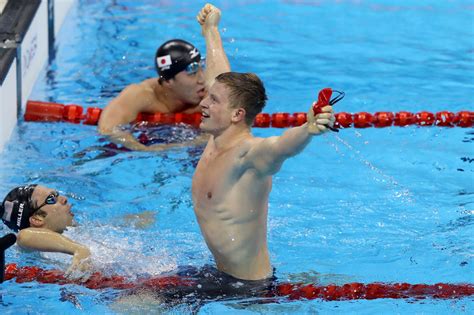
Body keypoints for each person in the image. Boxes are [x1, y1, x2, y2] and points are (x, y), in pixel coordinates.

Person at [192, 72, 336, 281]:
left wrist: (308, 129)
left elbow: (280, 147)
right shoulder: (216, 140)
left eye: (213, 100)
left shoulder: (248, 155)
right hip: (219, 274)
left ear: (236, 114)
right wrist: (211, 37)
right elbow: (217, 69)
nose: (203, 103)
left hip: (247, 288)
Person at [98, 3, 230, 151]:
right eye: (192, 71)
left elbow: (227, 90)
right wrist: (143, 150)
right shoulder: (142, 94)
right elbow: (108, 128)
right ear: (168, 80)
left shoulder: (207, 95)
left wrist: (211, 30)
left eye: (201, 67)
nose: (202, 79)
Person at [0, 184, 91, 277]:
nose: (64, 199)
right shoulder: (30, 247)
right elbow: (24, 236)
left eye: (57, 194)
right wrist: (78, 249)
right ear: (37, 220)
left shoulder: (77, 232)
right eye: (51, 199)